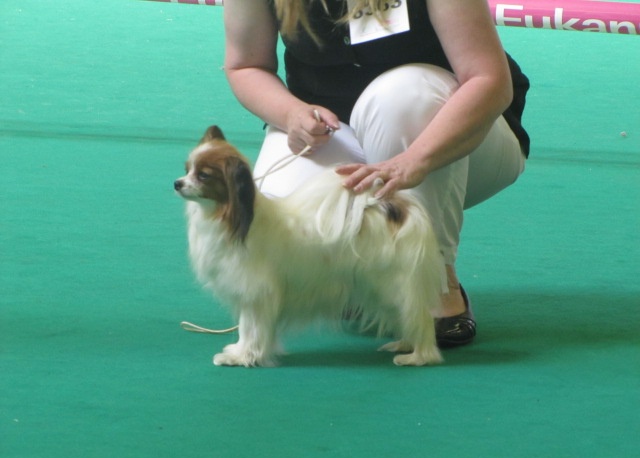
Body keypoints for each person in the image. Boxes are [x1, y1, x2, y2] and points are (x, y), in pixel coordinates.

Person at [222, 0, 530, 346]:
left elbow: (489, 80)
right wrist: (291, 113)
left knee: (400, 96)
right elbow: (245, 65)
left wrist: (416, 159)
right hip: (334, 131)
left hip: (460, 142)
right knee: (277, 228)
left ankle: (435, 281)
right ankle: (362, 279)